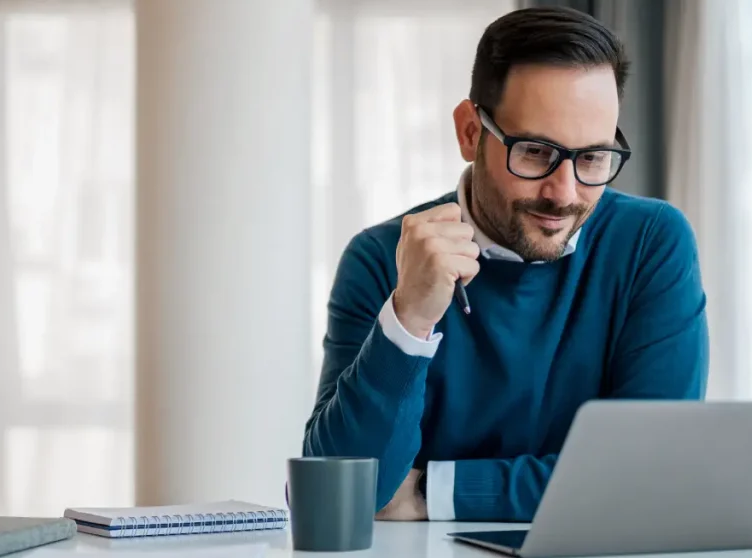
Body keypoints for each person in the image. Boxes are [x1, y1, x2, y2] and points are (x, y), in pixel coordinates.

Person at [302, 6, 709, 523]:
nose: (564, 194)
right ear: (470, 132)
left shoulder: (650, 243)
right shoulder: (381, 259)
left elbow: (655, 473)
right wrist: (409, 319)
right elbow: (336, 492)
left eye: (592, 158)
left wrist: (432, 492)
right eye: (536, 152)